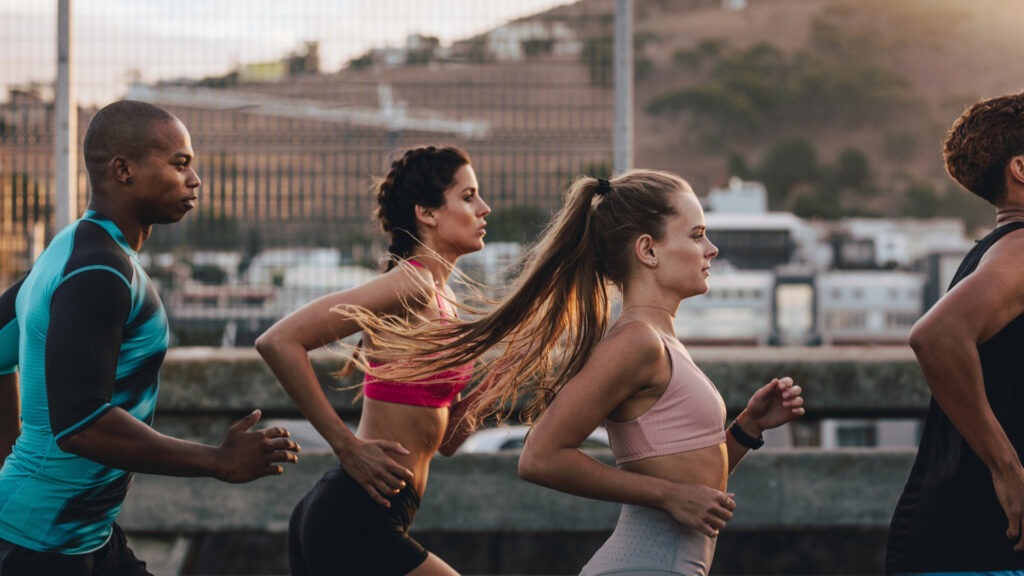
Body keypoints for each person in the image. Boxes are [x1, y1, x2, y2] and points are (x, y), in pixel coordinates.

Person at [352, 169, 805, 576]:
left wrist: (746, 429)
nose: (711, 248)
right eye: (697, 234)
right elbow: (540, 457)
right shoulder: (636, 342)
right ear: (647, 250)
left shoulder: (659, 341)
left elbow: (693, 487)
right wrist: (667, 496)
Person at [0, 100, 301, 576]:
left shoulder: (73, 248)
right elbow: (81, 423)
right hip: (43, 547)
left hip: (80, 533)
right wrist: (216, 461)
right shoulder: (100, 271)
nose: (194, 179)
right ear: (124, 170)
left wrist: (11, 457)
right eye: (180, 164)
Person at [255, 144, 491, 576]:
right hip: (353, 516)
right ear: (428, 213)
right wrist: (346, 446)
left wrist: (501, 378)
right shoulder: (413, 282)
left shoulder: (446, 299)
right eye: (469, 195)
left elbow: (448, 443)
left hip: (371, 513)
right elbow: (279, 341)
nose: (485, 208)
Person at [887, 92, 1024, 574]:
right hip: (982, 544)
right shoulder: (1020, 250)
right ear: (1021, 169)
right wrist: (1008, 470)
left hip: (959, 537)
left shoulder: (994, 253)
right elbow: (936, 336)